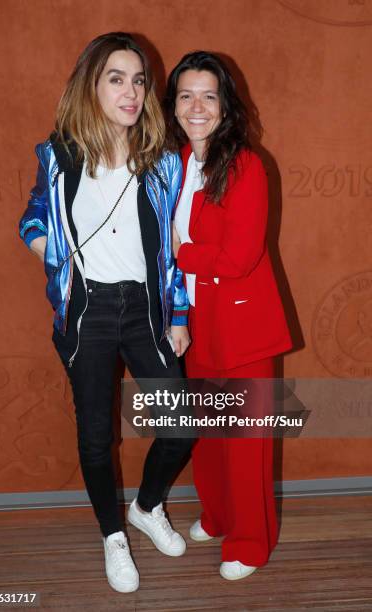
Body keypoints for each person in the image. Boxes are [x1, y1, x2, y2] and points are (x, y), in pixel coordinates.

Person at [19, 32, 193, 594]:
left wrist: (179, 315)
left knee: (182, 423)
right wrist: (52, 255)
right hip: (88, 309)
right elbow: (33, 217)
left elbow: (170, 246)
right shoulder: (61, 155)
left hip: (144, 309)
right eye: (116, 78)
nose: (132, 91)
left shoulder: (162, 161)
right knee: (96, 436)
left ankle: (146, 506)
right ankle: (113, 536)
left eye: (139, 80)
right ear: (91, 85)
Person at [164, 51, 292, 580]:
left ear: (225, 105)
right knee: (211, 436)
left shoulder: (245, 164)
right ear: (172, 105)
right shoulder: (176, 163)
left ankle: (252, 542)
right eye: (186, 95)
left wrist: (179, 250)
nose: (197, 107)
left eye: (208, 96)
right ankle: (217, 517)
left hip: (243, 327)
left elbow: (240, 258)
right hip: (194, 323)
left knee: (245, 444)